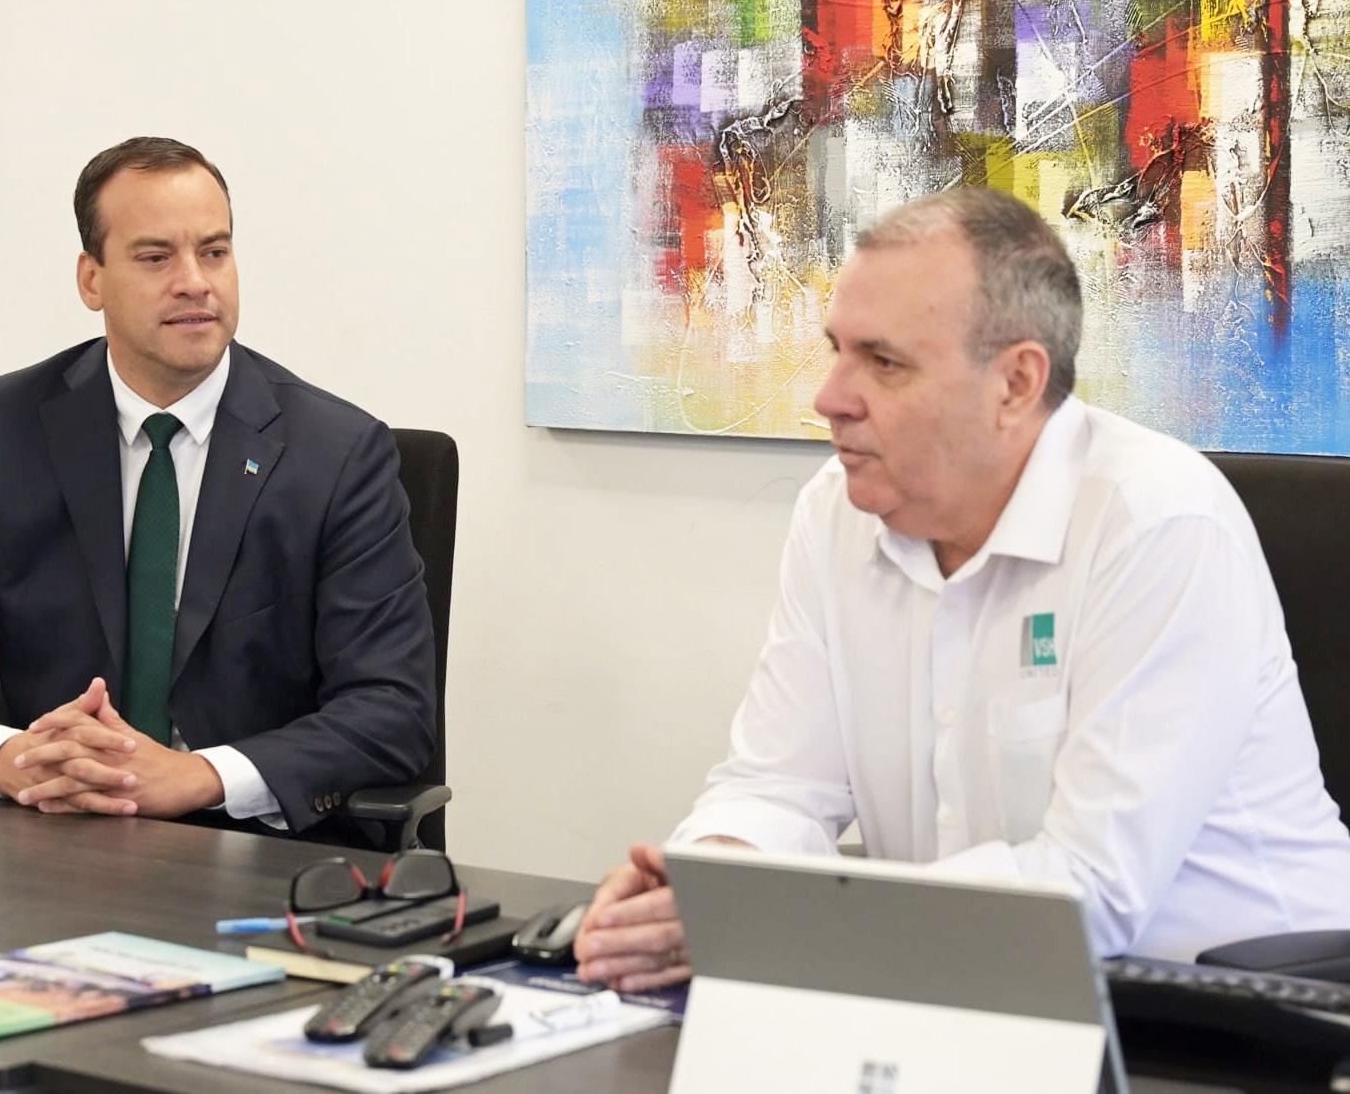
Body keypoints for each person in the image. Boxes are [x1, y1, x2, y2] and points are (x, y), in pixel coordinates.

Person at [574, 187, 1350, 990]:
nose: (830, 398)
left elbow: (1088, 892)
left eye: (884, 363)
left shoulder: (1156, 523)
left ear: (1015, 383)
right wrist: (708, 887)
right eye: (837, 351)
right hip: (961, 989)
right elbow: (779, 785)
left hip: (1248, 1014)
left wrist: (790, 918)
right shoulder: (837, 512)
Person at [0, 137, 435, 841]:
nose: (195, 281)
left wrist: (198, 776)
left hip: (250, 849)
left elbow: (393, 708)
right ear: (92, 280)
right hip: (45, 835)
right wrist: (13, 761)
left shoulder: (338, 454)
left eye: (215, 252)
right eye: (156, 257)